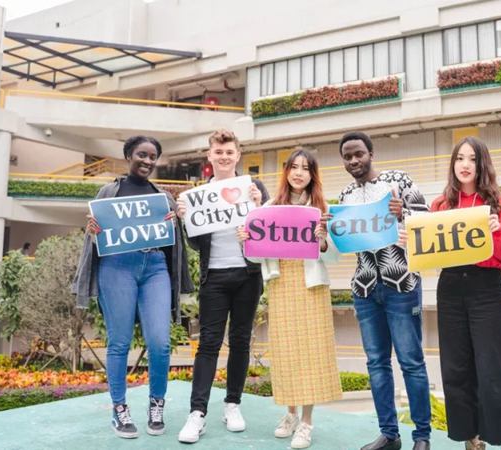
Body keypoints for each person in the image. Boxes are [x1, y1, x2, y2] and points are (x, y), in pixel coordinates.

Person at [73, 135, 194, 439]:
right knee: (119, 342)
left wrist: (174, 223)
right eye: (142, 154)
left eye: (153, 157)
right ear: (129, 155)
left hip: (155, 267)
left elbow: (175, 242)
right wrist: (92, 231)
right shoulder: (108, 192)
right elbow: (97, 237)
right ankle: (119, 409)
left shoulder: (163, 197)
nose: (147, 161)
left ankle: (156, 405)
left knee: (160, 342)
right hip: (117, 267)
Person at [326, 131, 431, 450]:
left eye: (358, 153)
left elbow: (428, 222)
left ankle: (422, 437)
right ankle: (389, 434)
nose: (353, 160)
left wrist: (404, 214)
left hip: (402, 284)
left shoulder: (398, 181)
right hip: (365, 287)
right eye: (347, 157)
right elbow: (341, 245)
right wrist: (326, 232)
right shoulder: (345, 195)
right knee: (376, 363)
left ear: (371, 154)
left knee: (411, 362)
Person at [427, 137, 501, 450]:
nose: (465, 165)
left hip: (487, 287)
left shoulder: (496, 204)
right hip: (451, 288)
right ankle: (471, 438)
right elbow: (430, 253)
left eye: (472, 159)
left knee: (494, 366)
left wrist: (497, 232)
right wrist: (410, 241)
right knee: (456, 367)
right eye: (459, 158)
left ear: (482, 165)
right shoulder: (440, 205)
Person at [176, 129, 269, 444]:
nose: (224, 157)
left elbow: (266, 231)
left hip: (248, 275)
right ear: (210, 156)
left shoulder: (254, 188)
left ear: (238, 154)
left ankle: (233, 404)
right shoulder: (198, 194)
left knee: (240, 341)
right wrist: (185, 219)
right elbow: (195, 243)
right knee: (208, 344)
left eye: (229, 152)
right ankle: (197, 413)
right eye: (219, 152)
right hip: (213, 276)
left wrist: (259, 205)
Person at [245, 149, 342, 449]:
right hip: (282, 282)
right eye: (294, 167)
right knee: (286, 350)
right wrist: (246, 238)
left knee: (310, 351)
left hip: (311, 284)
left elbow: (334, 255)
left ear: (313, 175)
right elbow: (256, 254)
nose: (299, 173)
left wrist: (322, 238)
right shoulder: (270, 207)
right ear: (286, 171)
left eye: (305, 168)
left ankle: (307, 422)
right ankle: (290, 413)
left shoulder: (322, 208)